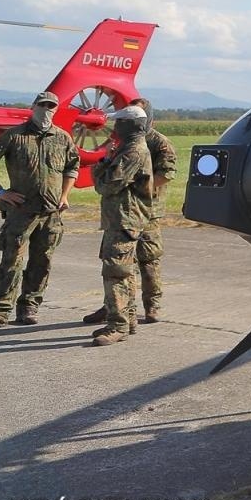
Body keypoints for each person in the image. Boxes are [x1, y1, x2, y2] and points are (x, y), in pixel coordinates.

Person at [0, 91, 81, 331]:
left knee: (42, 261)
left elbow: (72, 167)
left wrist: (65, 195)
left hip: (51, 213)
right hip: (20, 212)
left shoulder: (62, 138)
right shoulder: (14, 136)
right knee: (11, 261)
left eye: (51, 106)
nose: (47, 109)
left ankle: (29, 307)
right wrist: (1, 192)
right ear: (33, 107)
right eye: (42, 105)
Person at [83, 96, 175, 326]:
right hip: (125, 212)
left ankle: (151, 305)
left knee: (149, 259)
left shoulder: (157, 142)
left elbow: (167, 174)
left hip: (148, 210)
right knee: (121, 263)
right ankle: (114, 306)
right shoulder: (122, 143)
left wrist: (140, 187)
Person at [88, 105, 154, 346]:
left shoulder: (132, 153)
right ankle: (128, 319)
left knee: (115, 272)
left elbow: (107, 185)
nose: (114, 127)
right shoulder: (128, 149)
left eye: (119, 122)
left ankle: (118, 326)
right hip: (120, 219)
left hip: (124, 220)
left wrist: (98, 168)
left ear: (129, 125)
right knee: (125, 272)